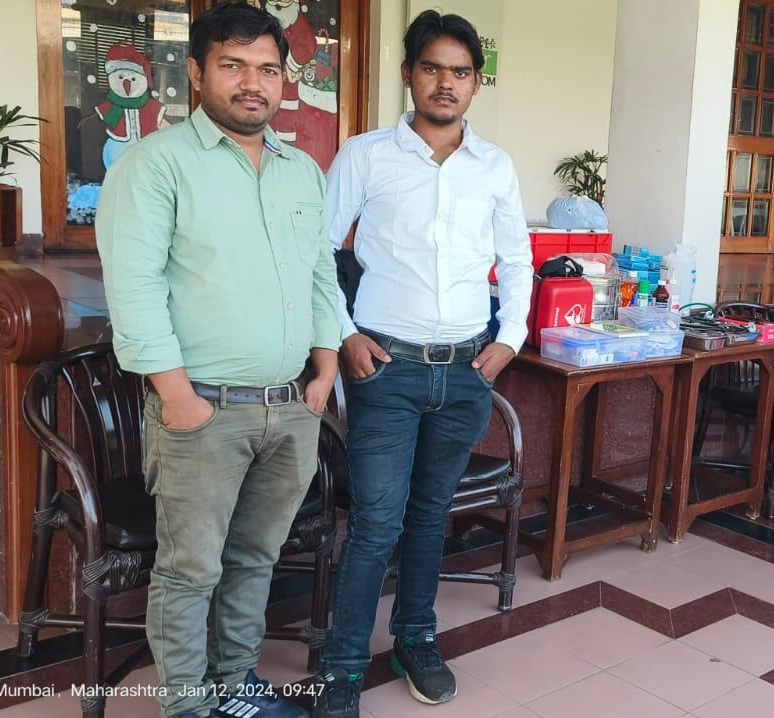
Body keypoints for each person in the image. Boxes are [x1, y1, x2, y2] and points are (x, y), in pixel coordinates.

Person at [96, 3, 336, 717]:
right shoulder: (155, 165)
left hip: (290, 407)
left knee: (255, 559)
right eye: (233, 66)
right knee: (189, 571)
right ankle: (187, 707)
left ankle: (234, 688)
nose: (252, 83)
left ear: (284, 79)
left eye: (267, 68)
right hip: (203, 411)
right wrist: (176, 397)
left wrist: (322, 374)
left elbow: (321, 275)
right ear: (197, 72)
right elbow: (133, 290)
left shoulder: (302, 171)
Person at [311, 10, 532, 717]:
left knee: (431, 515)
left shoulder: (494, 166)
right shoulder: (365, 155)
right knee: (377, 521)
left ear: (476, 83)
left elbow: (518, 259)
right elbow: (318, 251)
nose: (446, 83)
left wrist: (513, 338)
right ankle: (342, 669)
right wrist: (345, 334)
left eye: (461, 72)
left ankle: (415, 638)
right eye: (432, 68)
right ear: (409, 74)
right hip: (388, 370)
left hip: (467, 370)